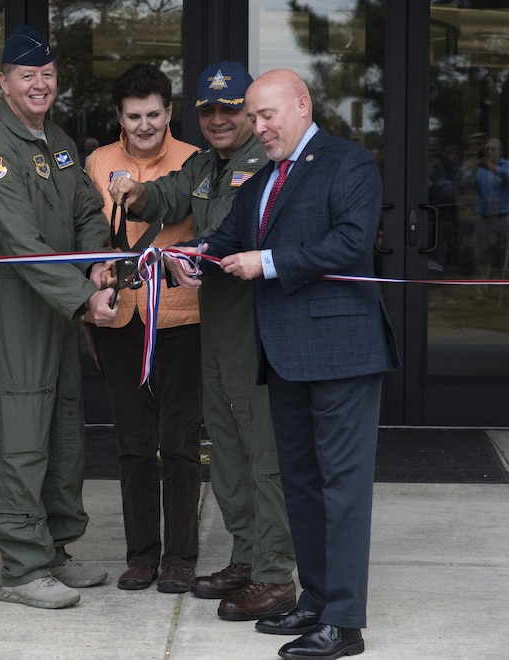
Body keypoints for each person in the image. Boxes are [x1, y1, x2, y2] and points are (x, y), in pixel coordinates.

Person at [170, 68, 400, 660]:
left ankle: (344, 623)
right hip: (286, 355)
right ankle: (316, 601)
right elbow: (226, 236)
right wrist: (192, 256)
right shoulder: (265, 179)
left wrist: (265, 262)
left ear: (302, 105)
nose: (258, 127)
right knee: (300, 484)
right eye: (255, 117)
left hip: (344, 351)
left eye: (268, 115)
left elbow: (350, 243)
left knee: (342, 487)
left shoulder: (348, 163)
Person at [107, 61, 296, 621]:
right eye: (208, 109)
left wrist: (197, 253)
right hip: (214, 331)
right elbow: (162, 198)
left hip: (256, 334)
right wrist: (132, 192)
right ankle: (244, 556)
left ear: (251, 112)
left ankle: (273, 572)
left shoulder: (265, 164)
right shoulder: (205, 167)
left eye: (231, 109)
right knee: (231, 453)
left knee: (264, 455)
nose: (218, 119)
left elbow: (242, 238)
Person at [0, 24, 117, 610]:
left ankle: (55, 552)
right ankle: (21, 569)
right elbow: (20, 244)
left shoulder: (61, 144)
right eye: (27, 75)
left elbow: (88, 213)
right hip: (15, 313)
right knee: (18, 436)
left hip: (60, 309)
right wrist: (82, 296)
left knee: (62, 432)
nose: (39, 84)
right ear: (3, 83)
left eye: (47, 75)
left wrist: (97, 265)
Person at [83, 63, 202, 593]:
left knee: (178, 440)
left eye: (154, 114)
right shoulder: (97, 163)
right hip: (119, 320)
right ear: (119, 116)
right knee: (132, 441)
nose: (145, 125)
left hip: (181, 319)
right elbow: (85, 235)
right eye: (134, 116)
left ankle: (179, 557)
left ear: (169, 112)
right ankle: (141, 554)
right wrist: (94, 274)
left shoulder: (195, 163)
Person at [470, 138, 509, 302]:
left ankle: (506, 292)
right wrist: (472, 170)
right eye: (487, 149)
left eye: (493, 149)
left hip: (504, 216)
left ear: (500, 151)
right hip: (484, 217)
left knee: (506, 255)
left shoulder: (506, 165)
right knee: (482, 255)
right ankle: (481, 292)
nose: (490, 152)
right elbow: (465, 184)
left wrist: (493, 168)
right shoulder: (479, 168)